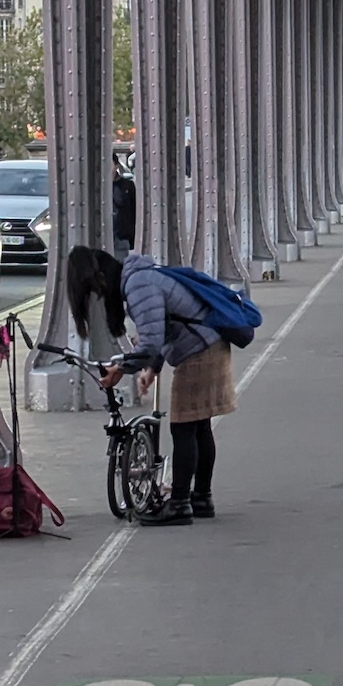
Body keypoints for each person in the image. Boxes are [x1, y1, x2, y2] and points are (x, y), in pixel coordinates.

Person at [70, 245, 237, 528]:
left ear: (101, 280)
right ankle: (201, 498)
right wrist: (153, 368)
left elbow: (151, 341)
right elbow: (164, 329)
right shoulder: (140, 278)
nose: (98, 298)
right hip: (210, 344)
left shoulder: (137, 286)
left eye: (95, 292)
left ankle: (180, 504)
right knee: (199, 426)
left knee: (184, 426)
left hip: (199, 351)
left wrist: (121, 370)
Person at [112, 168, 138, 255]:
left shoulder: (127, 185)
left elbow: (134, 210)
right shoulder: (98, 185)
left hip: (121, 236)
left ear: (116, 165)